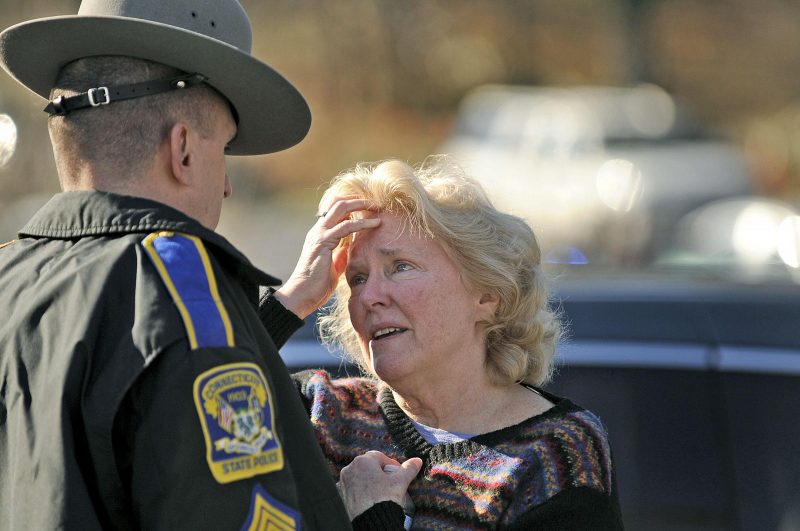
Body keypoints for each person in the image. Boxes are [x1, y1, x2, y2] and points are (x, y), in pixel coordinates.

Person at [0, 1, 419, 529]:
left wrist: (281, 309)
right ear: (183, 151)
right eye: (222, 152)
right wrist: (376, 520)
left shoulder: (12, 280)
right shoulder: (175, 282)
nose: (225, 185)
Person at [279, 158, 624, 529]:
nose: (369, 297)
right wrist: (291, 300)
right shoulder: (321, 413)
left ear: (487, 294)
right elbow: (211, 397)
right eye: (358, 278)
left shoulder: (554, 455)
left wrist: (374, 518)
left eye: (400, 266)